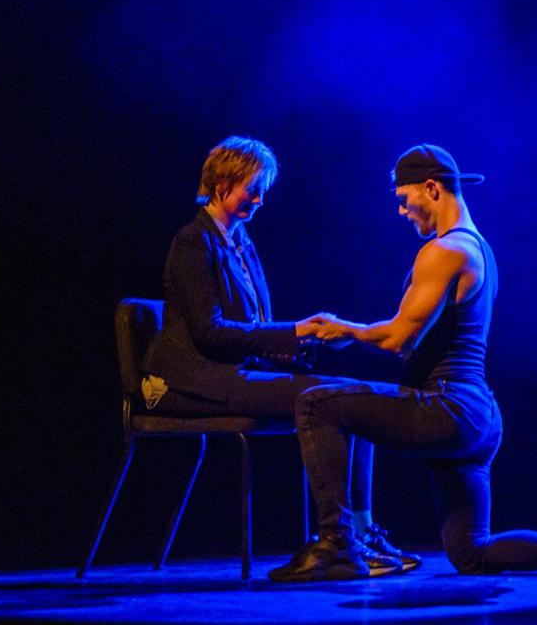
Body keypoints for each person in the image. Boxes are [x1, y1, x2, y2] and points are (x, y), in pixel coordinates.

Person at [269, 144, 537, 582]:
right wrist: (355, 333)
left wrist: (346, 329)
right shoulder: (481, 249)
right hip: (479, 417)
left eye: (403, 199)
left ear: (431, 189)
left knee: (317, 404)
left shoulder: (444, 251)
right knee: (471, 553)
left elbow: (400, 337)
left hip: (448, 408)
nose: (401, 211)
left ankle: (339, 544)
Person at [142, 135, 417, 574]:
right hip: (195, 381)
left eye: (262, 189)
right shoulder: (192, 243)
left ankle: (359, 533)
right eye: (252, 187)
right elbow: (211, 334)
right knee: (328, 401)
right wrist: (292, 330)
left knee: (351, 394)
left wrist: (304, 343)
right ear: (221, 184)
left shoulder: (242, 243)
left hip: (236, 373)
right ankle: (338, 540)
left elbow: (252, 331)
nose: (259, 198)